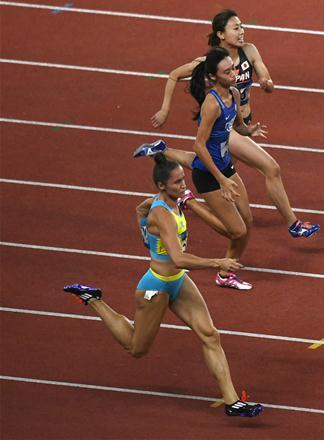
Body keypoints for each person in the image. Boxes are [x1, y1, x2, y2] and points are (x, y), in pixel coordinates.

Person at [63, 154, 263, 417]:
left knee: (210, 335)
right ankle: (93, 299)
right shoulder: (161, 214)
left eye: (183, 179)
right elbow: (178, 259)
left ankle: (232, 402)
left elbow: (139, 210)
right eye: (178, 182)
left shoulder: (166, 203)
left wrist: (146, 232)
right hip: (155, 287)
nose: (184, 185)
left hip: (177, 282)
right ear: (161, 186)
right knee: (136, 348)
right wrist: (217, 262)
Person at [144, 9, 320, 239]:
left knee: (211, 163)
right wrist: (165, 109)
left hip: (241, 123)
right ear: (221, 34)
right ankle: (293, 223)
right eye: (235, 28)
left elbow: (265, 77)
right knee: (270, 168)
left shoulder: (250, 50)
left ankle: (163, 151)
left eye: (242, 26)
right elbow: (174, 75)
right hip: (225, 128)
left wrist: (267, 83)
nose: (241, 31)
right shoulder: (211, 62)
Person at [186, 47, 265, 290]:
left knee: (247, 221)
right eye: (227, 71)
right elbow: (198, 146)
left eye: (233, 68)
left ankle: (226, 272)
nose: (234, 74)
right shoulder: (212, 104)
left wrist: (249, 131)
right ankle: (188, 201)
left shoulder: (233, 92)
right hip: (208, 174)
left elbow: (237, 126)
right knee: (238, 230)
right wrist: (221, 180)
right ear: (213, 76)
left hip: (225, 167)